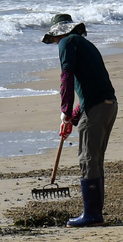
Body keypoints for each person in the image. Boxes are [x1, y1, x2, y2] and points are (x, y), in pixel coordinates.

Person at [43, 12, 117, 227]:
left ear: (60, 34)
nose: (56, 42)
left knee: (87, 159)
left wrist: (65, 111)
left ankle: (92, 215)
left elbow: (66, 76)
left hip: (96, 108)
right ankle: (95, 212)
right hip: (108, 105)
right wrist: (72, 119)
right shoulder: (85, 45)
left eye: (55, 38)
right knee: (95, 159)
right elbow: (90, 88)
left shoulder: (67, 43)